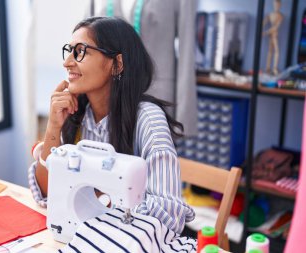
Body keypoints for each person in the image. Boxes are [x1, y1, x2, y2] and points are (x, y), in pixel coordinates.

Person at [28, 16, 195, 235]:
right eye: (68, 51)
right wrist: (53, 127)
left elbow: (169, 216)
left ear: (116, 64)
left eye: (80, 51)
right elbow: (48, 194)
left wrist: (97, 199)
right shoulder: (77, 114)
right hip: (89, 237)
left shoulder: (148, 120)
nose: (67, 62)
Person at [262, 0, 283, 76]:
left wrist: (266, 32)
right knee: (271, 51)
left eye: (278, 5)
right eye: (275, 5)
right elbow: (263, 23)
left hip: (274, 35)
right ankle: (268, 68)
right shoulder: (270, 14)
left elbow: (276, 27)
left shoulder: (280, 16)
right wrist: (261, 31)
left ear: (280, 5)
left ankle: (274, 68)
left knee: (276, 51)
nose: (276, 6)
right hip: (271, 35)